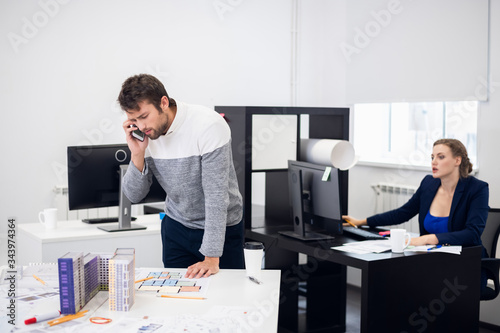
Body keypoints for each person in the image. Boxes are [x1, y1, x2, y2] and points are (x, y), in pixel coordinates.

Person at [117, 74, 244, 279]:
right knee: (177, 300)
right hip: (176, 227)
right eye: (133, 120)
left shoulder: (207, 125)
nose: (140, 127)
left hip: (221, 230)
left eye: (143, 117)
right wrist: (138, 153)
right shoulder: (147, 135)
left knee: (224, 297)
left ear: (163, 103)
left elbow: (216, 196)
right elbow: (134, 195)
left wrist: (211, 257)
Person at [343, 138, 489, 287]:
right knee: (394, 281)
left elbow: (473, 233)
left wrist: (428, 239)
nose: (434, 162)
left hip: (465, 264)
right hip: (431, 260)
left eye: (441, 157)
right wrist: (362, 222)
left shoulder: (477, 189)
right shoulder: (429, 183)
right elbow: (403, 213)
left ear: (457, 160)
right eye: (432, 157)